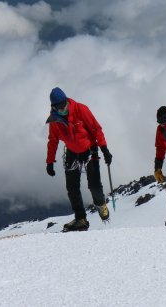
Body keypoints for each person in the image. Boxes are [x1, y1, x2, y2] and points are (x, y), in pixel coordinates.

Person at [45, 87, 113, 232]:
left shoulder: (81, 110)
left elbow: (96, 129)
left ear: (66, 101)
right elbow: (53, 141)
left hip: (89, 150)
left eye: (64, 104)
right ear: (54, 107)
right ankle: (80, 219)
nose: (63, 108)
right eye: (59, 107)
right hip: (72, 152)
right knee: (72, 187)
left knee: (94, 185)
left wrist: (104, 148)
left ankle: (101, 205)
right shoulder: (55, 121)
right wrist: (49, 162)